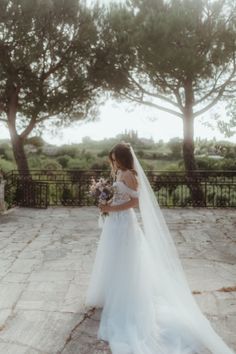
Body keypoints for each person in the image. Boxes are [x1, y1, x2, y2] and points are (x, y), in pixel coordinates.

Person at [85, 142, 235, 354]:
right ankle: (110, 293)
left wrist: (110, 207)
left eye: (115, 158)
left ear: (123, 158)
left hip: (124, 222)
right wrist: (105, 201)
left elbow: (134, 203)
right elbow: (119, 196)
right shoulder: (119, 173)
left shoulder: (130, 175)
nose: (113, 162)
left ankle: (126, 297)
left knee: (125, 259)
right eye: (112, 159)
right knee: (112, 257)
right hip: (114, 222)